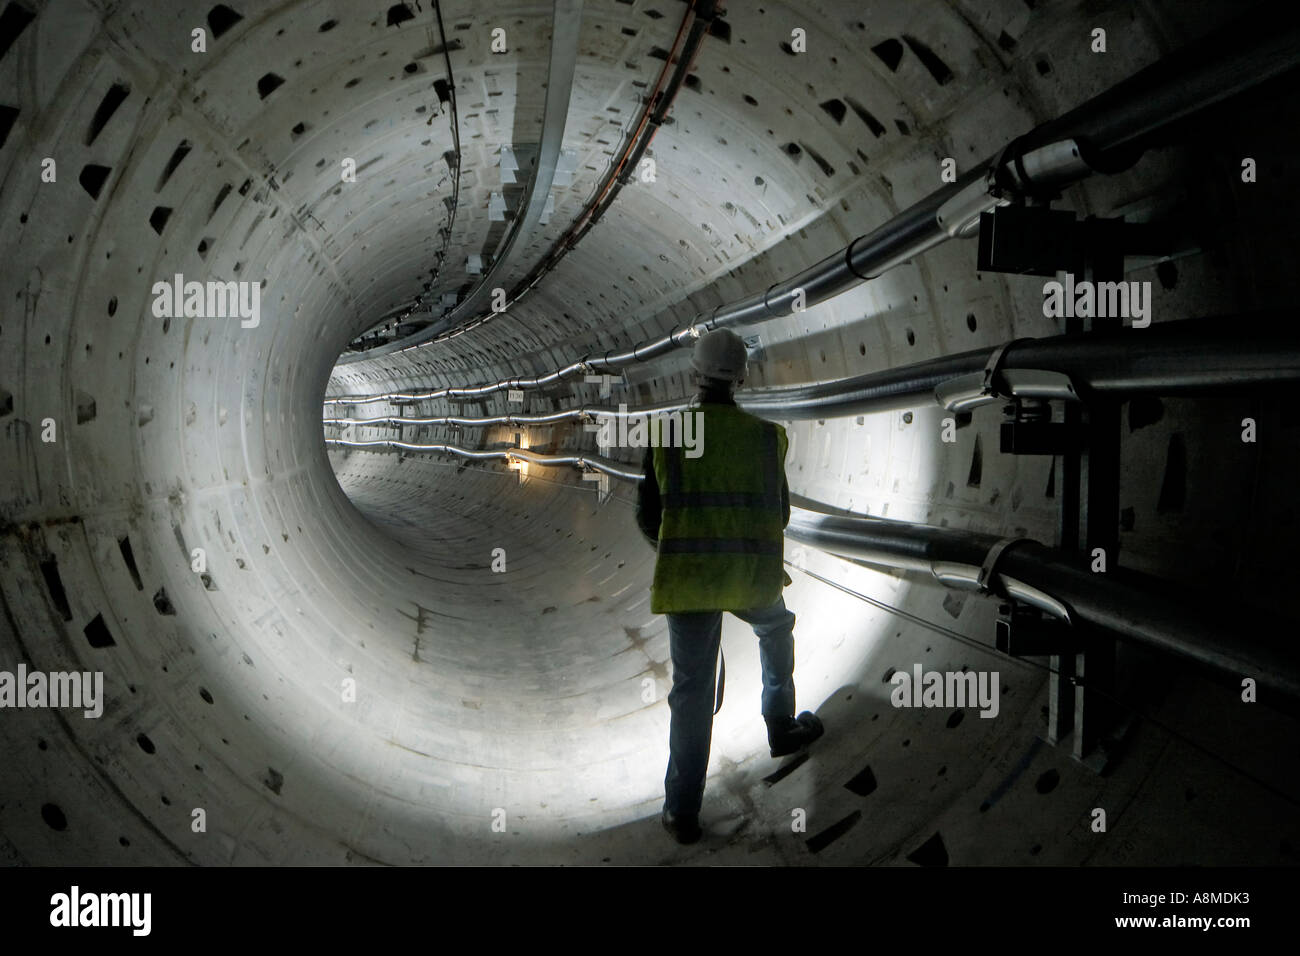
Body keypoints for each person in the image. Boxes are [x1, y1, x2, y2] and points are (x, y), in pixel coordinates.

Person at [635, 328, 824, 845]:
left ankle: (682, 812)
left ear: (693, 376)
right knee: (777, 628)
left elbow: (650, 517)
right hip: (750, 576)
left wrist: (687, 547)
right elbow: (780, 513)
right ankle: (782, 726)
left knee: (691, 691)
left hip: (691, 581)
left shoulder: (668, 435)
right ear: (742, 378)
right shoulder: (766, 437)